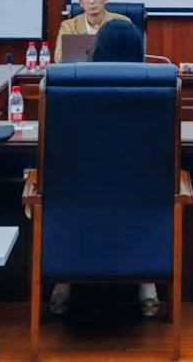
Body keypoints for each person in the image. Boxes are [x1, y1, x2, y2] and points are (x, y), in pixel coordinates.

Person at [48, 18, 156, 319]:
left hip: (77, 189)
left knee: (54, 189)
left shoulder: (72, 83)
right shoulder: (155, 85)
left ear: (97, 48)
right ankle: (148, 284)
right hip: (140, 191)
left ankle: (63, 281)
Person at [55, 0, 132, 55]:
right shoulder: (69, 26)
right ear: (80, 2)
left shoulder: (122, 22)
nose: (92, 1)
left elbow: (130, 54)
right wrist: (89, 40)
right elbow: (59, 57)